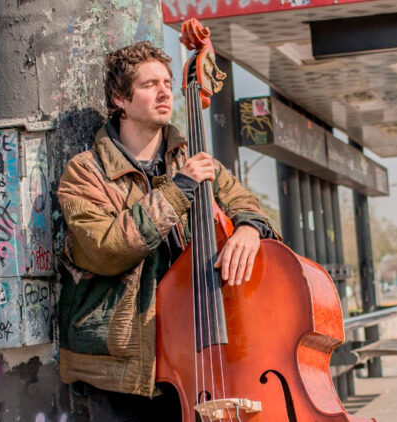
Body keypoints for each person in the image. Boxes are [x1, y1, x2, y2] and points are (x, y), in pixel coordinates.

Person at [56, 41, 278, 420]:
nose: (163, 93)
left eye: (167, 83)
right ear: (120, 99)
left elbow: (245, 203)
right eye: (148, 85)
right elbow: (108, 248)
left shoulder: (192, 160)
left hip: (194, 353)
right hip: (121, 373)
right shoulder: (86, 172)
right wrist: (178, 190)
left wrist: (250, 229)